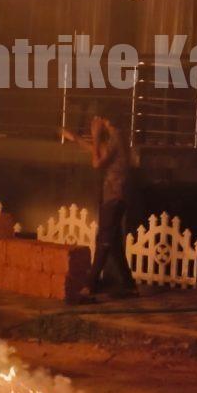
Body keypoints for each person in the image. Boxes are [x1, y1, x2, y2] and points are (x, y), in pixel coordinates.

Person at [62, 112, 137, 299]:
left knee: (103, 241)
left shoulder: (117, 137)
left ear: (106, 120)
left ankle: (90, 286)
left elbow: (97, 162)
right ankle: (129, 285)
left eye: (98, 119)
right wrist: (76, 139)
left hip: (114, 195)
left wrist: (95, 135)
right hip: (114, 195)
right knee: (113, 243)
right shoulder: (117, 138)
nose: (95, 123)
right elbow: (98, 152)